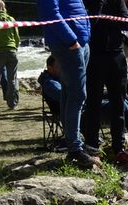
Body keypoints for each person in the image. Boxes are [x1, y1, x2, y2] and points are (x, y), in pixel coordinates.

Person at [37, 0, 99, 168]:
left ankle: (74, 142)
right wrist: (71, 40)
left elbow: (81, 10)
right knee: (78, 95)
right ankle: (75, 148)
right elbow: (49, 12)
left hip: (80, 41)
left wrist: (86, 35)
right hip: (69, 44)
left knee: (68, 92)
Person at [39, 56, 128, 142]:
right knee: (118, 104)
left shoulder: (58, 78)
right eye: (58, 66)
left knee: (119, 94)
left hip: (84, 103)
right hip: (81, 111)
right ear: (50, 67)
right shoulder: (50, 83)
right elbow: (71, 98)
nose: (62, 69)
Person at [83, 0, 128, 164]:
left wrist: (104, 20)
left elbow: (125, 22)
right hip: (94, 57)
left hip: (116, 56)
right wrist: (105, 17)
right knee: (93, 104)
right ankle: (92, 148)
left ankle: (119, 149)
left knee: (119, 104)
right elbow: (90, 23)